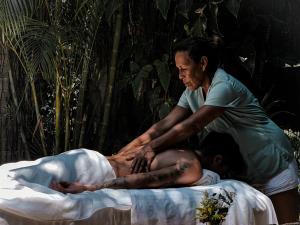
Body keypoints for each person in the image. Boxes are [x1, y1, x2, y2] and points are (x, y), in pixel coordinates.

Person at [117, 38, 298, 224]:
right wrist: (121, 155)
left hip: (274, 163)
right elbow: (165, 124)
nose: (180, 76)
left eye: (184, 69)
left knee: (287, 223)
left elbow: (191, 126)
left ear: (203, 63)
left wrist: (150, 148)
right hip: (246, 170)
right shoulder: (192, 92)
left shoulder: (224, 86)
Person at [51, 132, 244, 193]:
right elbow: (144, 179)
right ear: (218, 159)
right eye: (223, 170)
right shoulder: (192, 166)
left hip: (86, 158)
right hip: (95, 171)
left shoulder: (179, 148)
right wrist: (89, 188)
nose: (220, 176)